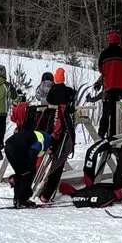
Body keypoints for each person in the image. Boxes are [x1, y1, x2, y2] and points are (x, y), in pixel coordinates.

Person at [36, 66, 80, 203]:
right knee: (58, 160)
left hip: (51, 128)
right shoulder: (67, 91)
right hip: (64, 130)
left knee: (47, 156)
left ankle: (42, 189)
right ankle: (47, 192)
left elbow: (45, 99)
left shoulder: (49, 91)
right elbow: (72, 97)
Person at [3, 93, 41, 207]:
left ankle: (17, 198)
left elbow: (13, 118)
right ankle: (22, 200)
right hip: (18, 146)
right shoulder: (29, 109)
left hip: (13, 142)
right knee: (26, 173)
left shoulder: (17, 108)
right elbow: (33, 153)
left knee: (21, 173)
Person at [96, 30, 122, 140]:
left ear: (109, 40)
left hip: (109, 87)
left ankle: (110, 134)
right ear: (118, 41)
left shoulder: (104, 53)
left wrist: (107, 75)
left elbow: (101, 70)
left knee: (110, 111)